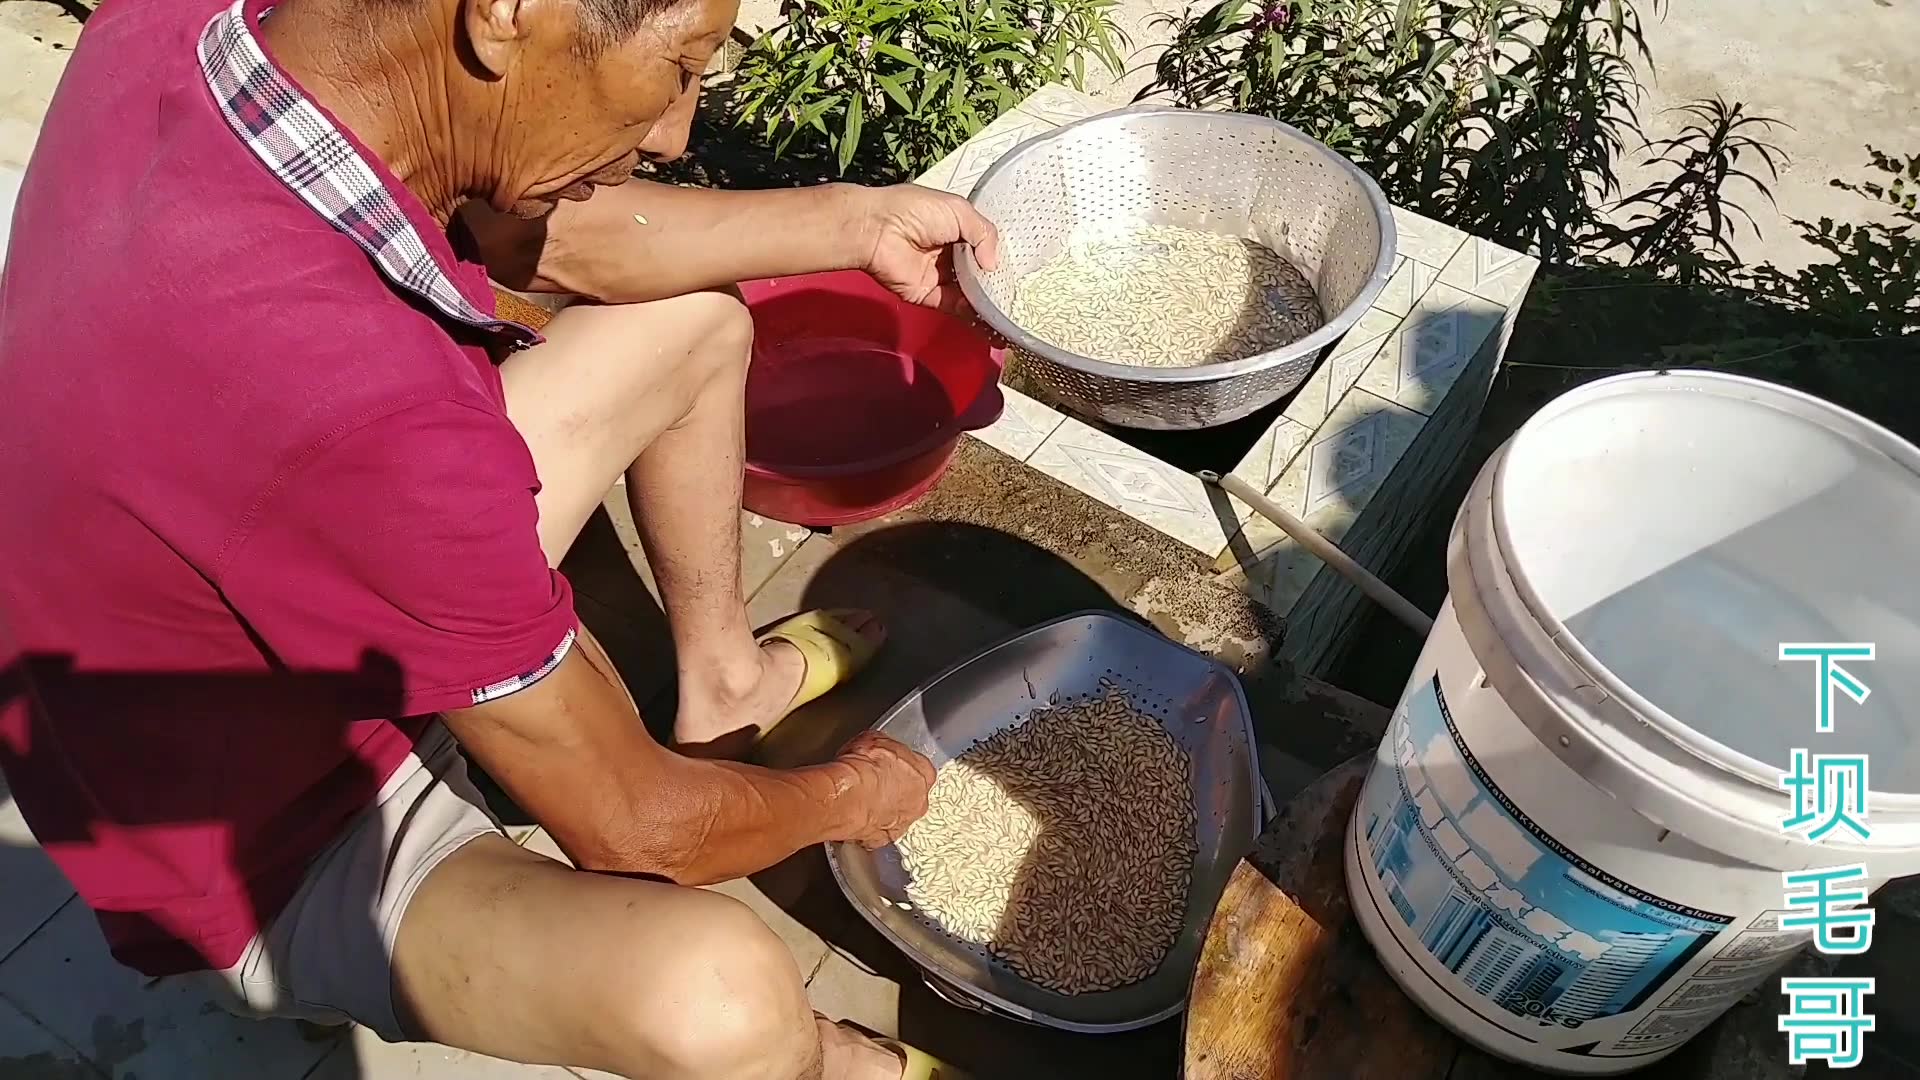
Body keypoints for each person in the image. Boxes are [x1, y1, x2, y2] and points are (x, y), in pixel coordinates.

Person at [0, 0, 1003, 1071]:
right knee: (721, 1001)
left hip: (269, 574)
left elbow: (567, 241)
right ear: (507, 13)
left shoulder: (199, 28)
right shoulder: (367, 419)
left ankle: (729, 687)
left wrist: (859, 223)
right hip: (276, 832)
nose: (676, 130)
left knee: (696, 318)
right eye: (677, 67)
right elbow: (640, 828)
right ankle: (845, 1064)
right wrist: (857, 794)